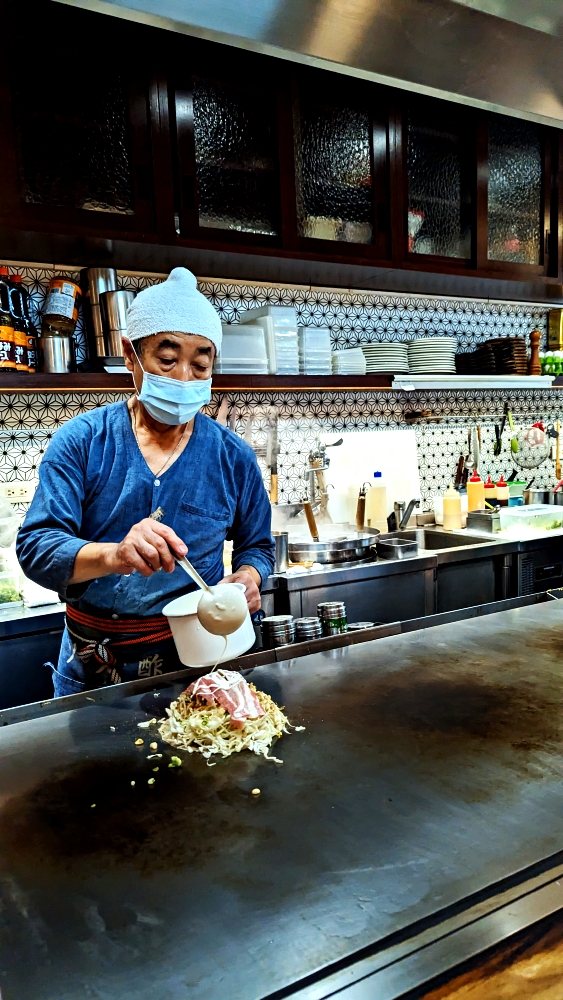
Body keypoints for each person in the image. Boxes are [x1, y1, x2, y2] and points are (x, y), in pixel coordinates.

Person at [17, 268, 275, 695]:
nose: (183, 379)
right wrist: (114, 555)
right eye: (168, 360)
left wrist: (250, 576)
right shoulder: (82, 441)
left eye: (200, 364)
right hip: (93, 665)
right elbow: (37, 547)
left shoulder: (233, 457)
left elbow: (258, 546)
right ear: (129, 354)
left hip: (200, 664)